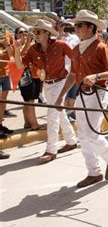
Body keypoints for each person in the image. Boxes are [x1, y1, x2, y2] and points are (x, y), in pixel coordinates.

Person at [55, 9, 108, 188]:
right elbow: (73, 74)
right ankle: (94, 172)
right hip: (82, 94)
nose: (76, 28)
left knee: (91, 132)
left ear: (91, 28)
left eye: (80, 25)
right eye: (75, 25)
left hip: (98, 93)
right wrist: (61, 96)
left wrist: (96, 77)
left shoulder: (101, 47)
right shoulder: (77, 49)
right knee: (82, 134)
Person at [14, 19, 78, 164]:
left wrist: (77, 74)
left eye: (39, 31)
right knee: (59, 113)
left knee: (52, 116)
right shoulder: (33, 49)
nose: (36, 34)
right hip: (47, 84)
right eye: (35, 31)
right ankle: (71, 140)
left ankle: (51, 150)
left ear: (48, 33)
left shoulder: (61, 45)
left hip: (61, 83)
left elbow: (76, 57)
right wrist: (17, 49)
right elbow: (19, 65)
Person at [13, 27, 43, 130]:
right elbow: (20, 56)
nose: (24, 34)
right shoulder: (16, 45)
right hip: (25, 75)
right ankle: (34, 124)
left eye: (25, 32)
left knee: (28, 100)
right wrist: (27, 42)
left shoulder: (29, 44)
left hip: (33, 74)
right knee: (30, 100)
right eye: (20, 32)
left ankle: (27, 122)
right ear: (16, 35)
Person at [0, 27, 14, 139]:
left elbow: (12, 55)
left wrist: (7, 45)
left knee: (3, 102)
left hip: (5, 73)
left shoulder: (8, 35)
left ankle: (0, 125)